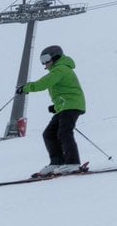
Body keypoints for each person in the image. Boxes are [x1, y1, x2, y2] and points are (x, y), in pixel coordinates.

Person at [22, 44, 88, 177]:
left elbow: (44, 83)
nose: (44, 63)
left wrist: (26, 88)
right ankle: (57, 162)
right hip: (65, 106)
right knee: (49, 133)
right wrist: (56, 106)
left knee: (64, 132)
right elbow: (63, 90)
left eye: (46, 59)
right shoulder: (59, 70)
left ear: (55, 56)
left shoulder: (61, 69)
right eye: (42, 60)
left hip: (70, 105)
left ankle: (72, 163)